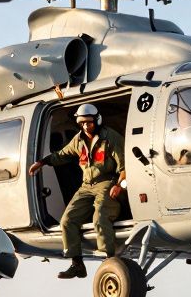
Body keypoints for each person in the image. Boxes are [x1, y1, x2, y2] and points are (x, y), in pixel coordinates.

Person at [27, 103, 127, 279]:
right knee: (67, 220)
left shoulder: (110, 138)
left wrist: (119, 185)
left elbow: (124, 165)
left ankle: (108, 260)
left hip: (106, 182)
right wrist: (42, 162)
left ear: (97, 120)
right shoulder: (78, 140)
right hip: (86, 186)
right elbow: (62, 155)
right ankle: (77, 264)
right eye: (82, 123)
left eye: (89, 122)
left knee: (101, 215)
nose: (86, 126)